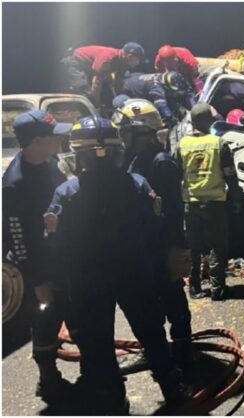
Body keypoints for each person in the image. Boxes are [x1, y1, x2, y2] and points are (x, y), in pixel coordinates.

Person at [44, 117, 188, 414]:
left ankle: (113, 399)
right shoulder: (137, 184)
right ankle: (172, 388)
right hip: (135, 273)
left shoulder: (67, 193)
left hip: (88, 282)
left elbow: (55, 243)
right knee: (151, 332)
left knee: (97, 343)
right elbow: (156, 228)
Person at [116, 99, 195, 379]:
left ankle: (183, 352)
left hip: (163, 246)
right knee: (148, 304)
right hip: (141, 246)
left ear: (142, 132)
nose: (121, 136)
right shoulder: (131, 159)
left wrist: (176, 251)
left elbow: (173, 212)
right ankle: (155, 350)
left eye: (126, 130)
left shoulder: (161, 163)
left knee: (173, 299)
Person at [3, 111, 73, 402]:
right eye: (53, 134)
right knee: (45, 321)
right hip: (39, 266)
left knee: (72, 313)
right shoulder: (14, 185)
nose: (60, 138)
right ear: (36, 141)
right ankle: (48, 380)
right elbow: (17, 241)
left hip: (60, 258)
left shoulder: (50, 164)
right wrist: (37, 281)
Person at [174, 103, 238, 300]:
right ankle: (217, 289)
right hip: (215, 202)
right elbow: (230, 175)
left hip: (191, 202)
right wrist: (236, 198)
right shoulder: (219, 143)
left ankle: (194, 288)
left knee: (194, 247)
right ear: (207, 121)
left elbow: (176, 174)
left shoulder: (182, 145)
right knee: (217, 247)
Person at [62, 42, 144, 111]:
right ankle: (88, 116)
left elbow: (118, 84)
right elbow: (96, 83)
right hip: (76, 62)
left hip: (91, 67)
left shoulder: (124, 64)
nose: (139, 63)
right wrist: (96, 105)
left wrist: (120, 103)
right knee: (85, 92)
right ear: (130, 56)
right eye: (138, 59)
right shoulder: (107, 58)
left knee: (107, 91)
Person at [122, 71, 196, 128]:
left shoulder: (177, 78)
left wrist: (194, 109)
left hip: (136, 77)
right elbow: (161, 105)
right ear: (166, 85)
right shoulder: (156, 88)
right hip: (129, 90)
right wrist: (171, 119)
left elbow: (189, 92)